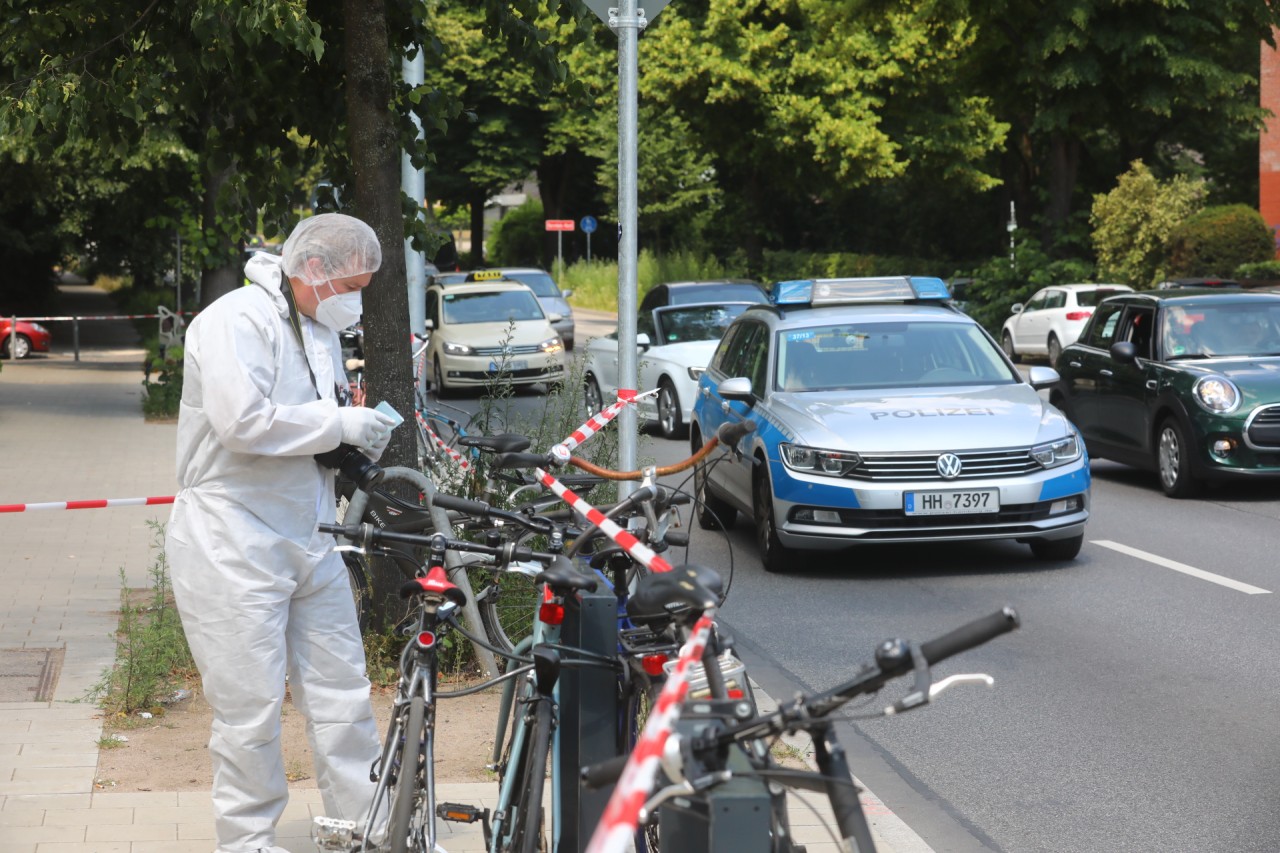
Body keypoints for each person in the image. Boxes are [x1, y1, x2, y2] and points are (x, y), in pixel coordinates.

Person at [165, 214, 397, 853]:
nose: (357, 299)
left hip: (309, 535)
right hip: (231, 540)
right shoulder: (235, 320)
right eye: (353, 283)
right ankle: (247, 842)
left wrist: (349, 431)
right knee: (250, 709)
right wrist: (336, 425)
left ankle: (366, 828)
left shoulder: (316, 326)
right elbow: (244, 423)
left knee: (343, 692)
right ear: (316, 270)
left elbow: (311, 427)